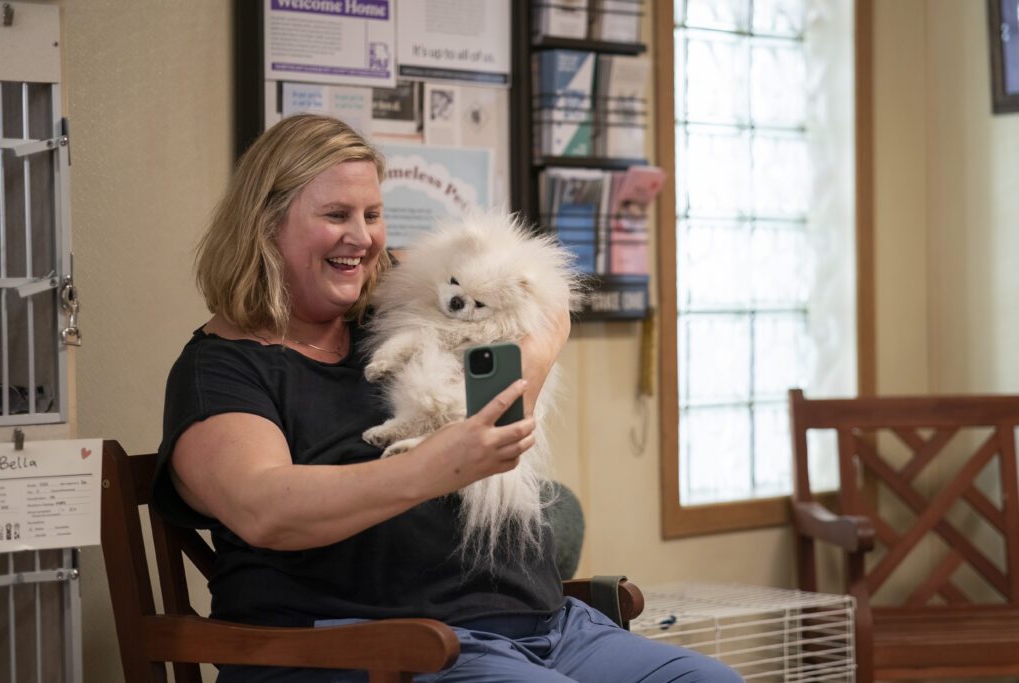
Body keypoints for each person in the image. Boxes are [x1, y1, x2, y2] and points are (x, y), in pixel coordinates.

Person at [151, 113, 742, 683]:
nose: (362, 237)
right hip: (374, 648)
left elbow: (548, 303)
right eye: (336, 214)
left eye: (373, 214)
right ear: (265, 224)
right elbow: (264, 509)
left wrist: (499, 400)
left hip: (548, 631)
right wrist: (435, 466)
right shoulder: (221, 371)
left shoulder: (394, 304)